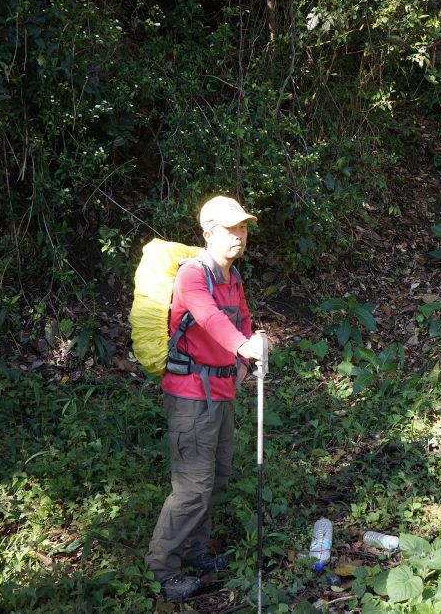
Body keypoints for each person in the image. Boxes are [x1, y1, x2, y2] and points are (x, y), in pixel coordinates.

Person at [145, 195, 266, 600]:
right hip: (191, 396)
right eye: (230, 229)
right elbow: (209, 317)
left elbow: (242, 318)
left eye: (243, 228)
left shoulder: (232, 277)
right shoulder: (192, 276)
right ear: (207, 233)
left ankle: (196, 550)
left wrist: (245, 359)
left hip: (222, 390)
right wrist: (242, 347)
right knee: (193, 487)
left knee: (217, 477)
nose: (239, 236)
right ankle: (162, 568)